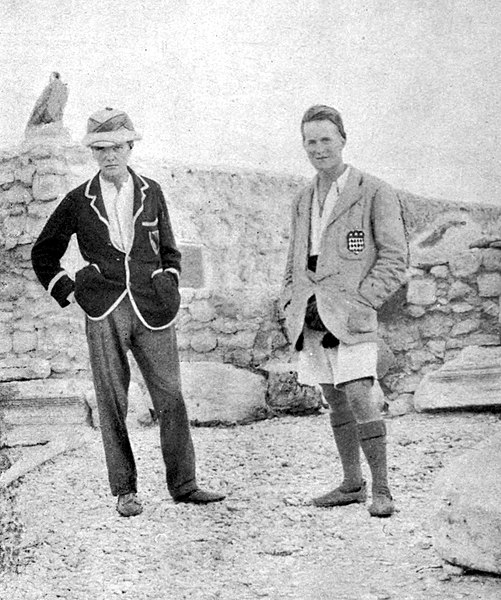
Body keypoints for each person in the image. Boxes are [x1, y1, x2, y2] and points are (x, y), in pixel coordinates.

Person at [31, 107, 225, 516]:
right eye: (100, 148)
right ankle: (125, 491)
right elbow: (43, 252)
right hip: (103, 309)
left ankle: (185, 484)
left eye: (116, 147)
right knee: (112, 400)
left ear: (130, 147)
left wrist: (168, 282)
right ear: (93, 153)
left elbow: (170, 251)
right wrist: (69, 290)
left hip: (153, 309)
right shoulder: (77, 200)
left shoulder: (152, 191)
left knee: (171, 395)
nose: (109, 156)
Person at [280, 105, 407, 517]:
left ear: (343, 140)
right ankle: (352, 483)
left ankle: (382, 490)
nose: (318, 149)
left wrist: (364, 301)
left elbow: (394, 259)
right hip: (312, 310)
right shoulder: (302, 197)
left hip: (352, 310)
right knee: (333, 396)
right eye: (310, 141)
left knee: (358, 392)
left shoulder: (373, 191)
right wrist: (289, 302)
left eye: (326, 140)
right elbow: (295, 259)